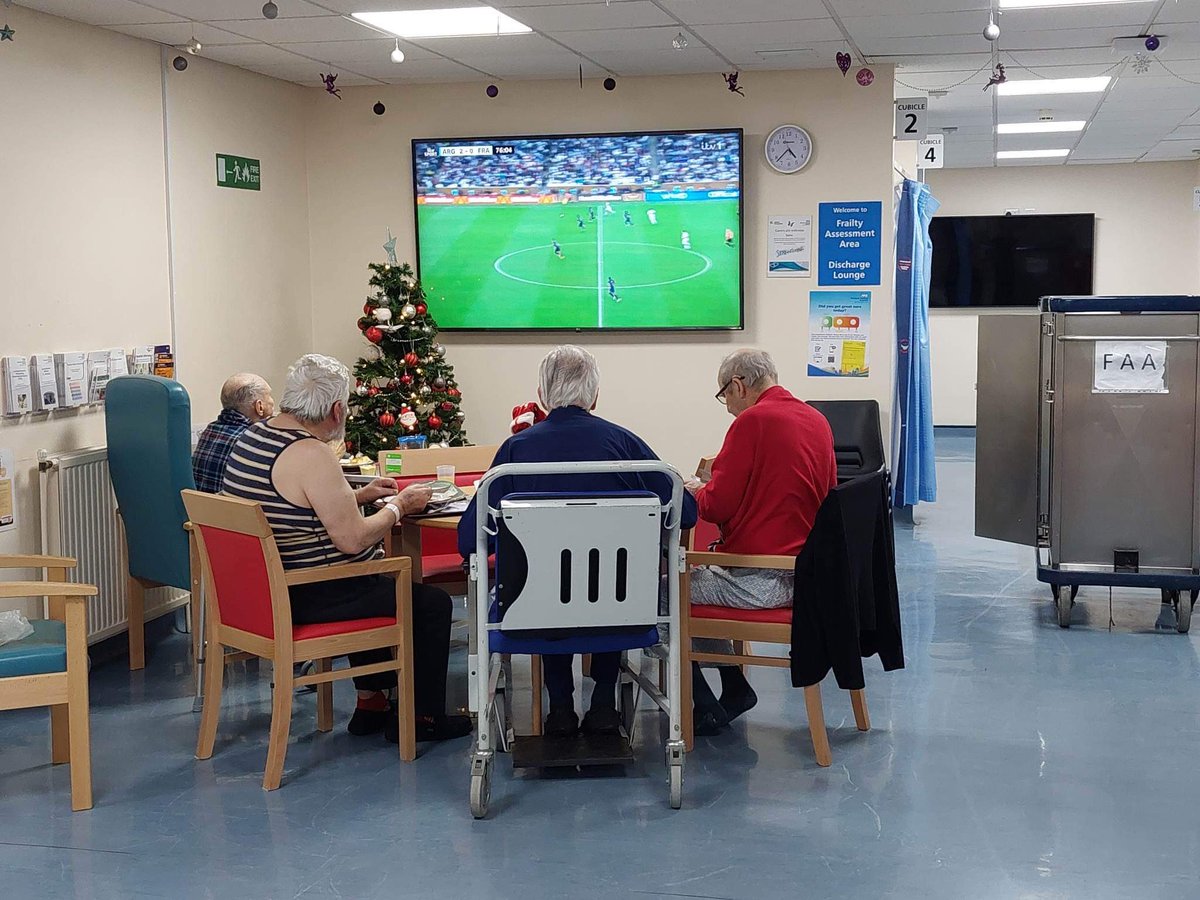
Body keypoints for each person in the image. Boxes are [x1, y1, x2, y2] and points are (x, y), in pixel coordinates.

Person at [223, 354, 470, 744]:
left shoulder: (253, 438)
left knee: (370, 579)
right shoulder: (311, 452)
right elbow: (353, 539)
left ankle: (371, 702)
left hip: (262, 595)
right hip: (308, 594)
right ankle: (422, 718)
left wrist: (357, 495)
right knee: (427, 602)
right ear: (337, 410)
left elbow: (295, 505)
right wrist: (399, 506)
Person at [458, 346, 696, 739]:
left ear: (541, 395)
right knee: (610, 578)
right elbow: (686, 514)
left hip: (530, 614)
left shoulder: (515, 452)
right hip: (624, 613)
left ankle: (561, 708)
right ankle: (603, 703)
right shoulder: (626, 446)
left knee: (546, 582)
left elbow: (469, 538)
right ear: (595, 396)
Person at [684, 348, 837, 734]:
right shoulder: (816, 419)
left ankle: (705, 704)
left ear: (738, 385)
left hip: (761, 580)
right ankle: (733, 687)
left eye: (725, 396)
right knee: (696, 584)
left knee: (662, 594)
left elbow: (716, 506)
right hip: (811, 577)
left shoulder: (752, 422)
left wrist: (696, 490)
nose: (728, 407)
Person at [192, 373, 275, 494]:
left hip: (199, 505)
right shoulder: (253, 441)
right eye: (269, 396)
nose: (272, 401)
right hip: (229, 506)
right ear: (259, 407)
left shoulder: (210, 430)